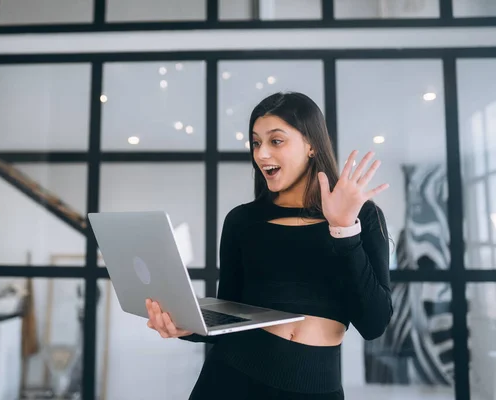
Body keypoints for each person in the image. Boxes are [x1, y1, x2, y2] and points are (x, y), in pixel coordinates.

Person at [145, 91, 393, 399]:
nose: (261, 154)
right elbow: (229, 315)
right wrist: (187, 327)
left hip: (315, 388)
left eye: (276, 141)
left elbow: (374, 323)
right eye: (256, 142)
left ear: (311, 145)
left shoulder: (361, 217)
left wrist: (343, 229)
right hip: (231, 378)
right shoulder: (242, 221)